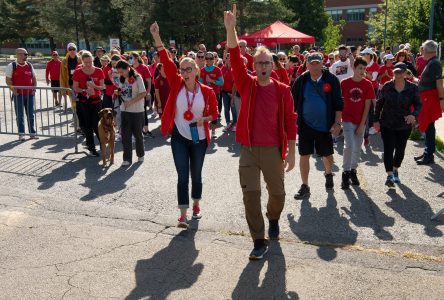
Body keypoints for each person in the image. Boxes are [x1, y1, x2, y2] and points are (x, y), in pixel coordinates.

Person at [225, 4, 297, 260]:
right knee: (251, 195)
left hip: (273, 150)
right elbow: (234, 56)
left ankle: (273, 217)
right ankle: (258, 239)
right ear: (254, 65)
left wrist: (291, 153)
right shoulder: (247, 84)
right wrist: (231, 29)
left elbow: (290, 120)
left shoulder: (282, 90)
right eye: (259, 62)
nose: (264, 66)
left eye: (268, 62)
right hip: (249, 149)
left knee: (277, 195)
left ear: (273, 65)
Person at [150, 22, 219, 228]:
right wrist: (157, 37)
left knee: (196, 175)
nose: (186, 72)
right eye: (183, 69)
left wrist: (203, 120)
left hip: (199, 138)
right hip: (179, 137)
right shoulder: (177, 83)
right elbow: (166, 60)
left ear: (196, 70)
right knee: (182, 176)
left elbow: (215, 114)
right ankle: (182, 214)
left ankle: (196, 204)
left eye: (189, 69)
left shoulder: (207, 91)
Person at [292, 52, 343, 198]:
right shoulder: (301, 80)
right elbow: (292, 102)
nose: (315, 66)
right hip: (305, 125)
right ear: (307, 64)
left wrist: (337, 122)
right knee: (304, 155)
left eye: (317, 63)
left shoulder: (331, 79)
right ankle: (305, 185)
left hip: (325, 125)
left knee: (327, 155)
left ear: (322, 63)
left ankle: (328, 174)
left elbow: (338, 103)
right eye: (312, 63)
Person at [373, 62, 422, 186]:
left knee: (400, 149)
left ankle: (395, 170)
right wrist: (375, 120)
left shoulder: (412, 88)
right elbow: (379, 104)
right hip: (387, 123)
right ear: (393, 73)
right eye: (396, 72)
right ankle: (389, 176)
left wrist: (413, 115)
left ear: (406, 73)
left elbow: (418, 104)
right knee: (389, 148)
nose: (398, 74)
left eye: (401, 72)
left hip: (404, 124)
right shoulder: (387, 86)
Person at [340, 57, 375, 189]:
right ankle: (345, 173)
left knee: (357, 147)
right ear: (353, 68)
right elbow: (339, 102)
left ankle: (353, 171)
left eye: (364, 69)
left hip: (360, 120)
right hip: (347, 118)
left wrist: (362, 125)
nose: (362, 71)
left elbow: (367, 106)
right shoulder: (344, 83)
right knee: (349, 145)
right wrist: (338, 122)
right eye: (360, 68)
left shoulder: (367, 84)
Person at [415, 40, 444, 165]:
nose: (422, 53)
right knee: (428, 126)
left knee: (429, 126)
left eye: (423, 50)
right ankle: (428, 152)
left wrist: (442, 100)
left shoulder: (434, 63)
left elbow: (439, 83)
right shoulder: (432, 62)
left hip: (429, 98)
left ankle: (429, 154)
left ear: (427, 51)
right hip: (427, 98)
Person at [72, 51, 105, 157]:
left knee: (96, 124)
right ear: (82, 62)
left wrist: (94, 86)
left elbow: (102, 87)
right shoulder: (78, 72)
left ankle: (102, 145)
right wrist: (84, 90)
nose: (88, 64)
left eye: (90, 62)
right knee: (86, 125)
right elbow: (75, 87)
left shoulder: (99, 71)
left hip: (96, 101)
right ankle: (91, 148)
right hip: (83, 102)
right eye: (86, 62)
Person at [115, 60, 147, 166]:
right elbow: (121, 90)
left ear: (128, 68)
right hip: (125, 110)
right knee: (126, 136)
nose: (121, 74)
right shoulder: (122, 78)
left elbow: (143, 93)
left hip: (137, 111)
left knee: (138, 135)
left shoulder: (138, 77)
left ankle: (140, 154)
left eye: (122, 72)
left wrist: (131, 102)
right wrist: (118, 92)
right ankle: (127, 159)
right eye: (119, 72)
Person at [5, 48, 38, 141]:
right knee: (20, 115)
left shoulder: (30, 65)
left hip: (29, 95)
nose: (26, 56)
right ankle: (21, 134)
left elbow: (34, 79)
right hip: (18, 95)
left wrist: (34, 89)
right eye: (25, 54)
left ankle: (32, 133)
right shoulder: (12, 65)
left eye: (26, 54)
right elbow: (8, 80)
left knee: (31, 114)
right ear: (19, 54)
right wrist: (13, 90)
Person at [199, 51, 224, 138]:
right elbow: (199, 83)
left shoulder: (217, 70)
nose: (209, 60)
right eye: (207, 58)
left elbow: (221, 83)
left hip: (215, 94)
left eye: (211, 58)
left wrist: (212, 81)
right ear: (205, 60)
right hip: (204, 95)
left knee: (214, 112)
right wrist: (203, 82)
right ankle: (204, 131)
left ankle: (213, 131)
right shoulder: (202, 70)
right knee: (203, 112)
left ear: (214, 59)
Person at [129, 52, 153, 137]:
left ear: (136, 58)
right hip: (132, 94)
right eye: (129, 58)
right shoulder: (130, 68)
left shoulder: (143, 68)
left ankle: (146, 130)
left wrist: (148, 92)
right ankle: (136, 130)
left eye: (131, 58)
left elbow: (149, 81)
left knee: (143, 111)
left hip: (143, 93)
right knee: (134, 111)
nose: (130, 59)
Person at [60, 43, 83, 133]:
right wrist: (63, 89)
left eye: (74, 49)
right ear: (67, 50)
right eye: (70, 49)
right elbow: (61, 76)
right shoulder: (64, 61)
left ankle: (82, 125)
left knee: (81, 106)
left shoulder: (80, 59)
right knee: (74, 107)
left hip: (81, 86)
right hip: (70, 86)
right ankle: (78, 126)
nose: (72, 51)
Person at [361, 48, 380, 145]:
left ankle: (370, 130)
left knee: (371, 110)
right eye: (363, 54)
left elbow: (373, 78)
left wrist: (364, 73)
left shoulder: (375, 65)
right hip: (362, 88)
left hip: (372, 89)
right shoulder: (362, 64)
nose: (364, 55)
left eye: (365, 54)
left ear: (369, 55)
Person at [221, 53, 237, 131]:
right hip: (224, 92)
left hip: (232, 92)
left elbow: (235, 83)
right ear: (226, 59)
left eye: (231, 58)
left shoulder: (234, 69)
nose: (229, 60)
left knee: (233, 108)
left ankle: (235, 124)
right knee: (226, 108)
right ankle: (227, 123)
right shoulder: (222, 69)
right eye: (227, 58)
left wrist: (233, 95)